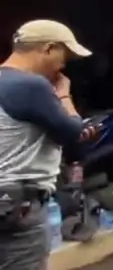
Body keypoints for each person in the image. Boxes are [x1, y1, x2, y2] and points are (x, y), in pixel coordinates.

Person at [0, 20, 97, 270]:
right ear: (48, 49)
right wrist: (64, 93)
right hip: (16, 202)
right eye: (64, 55)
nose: (64, 65)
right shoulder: (31, 86)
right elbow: (73, 130)